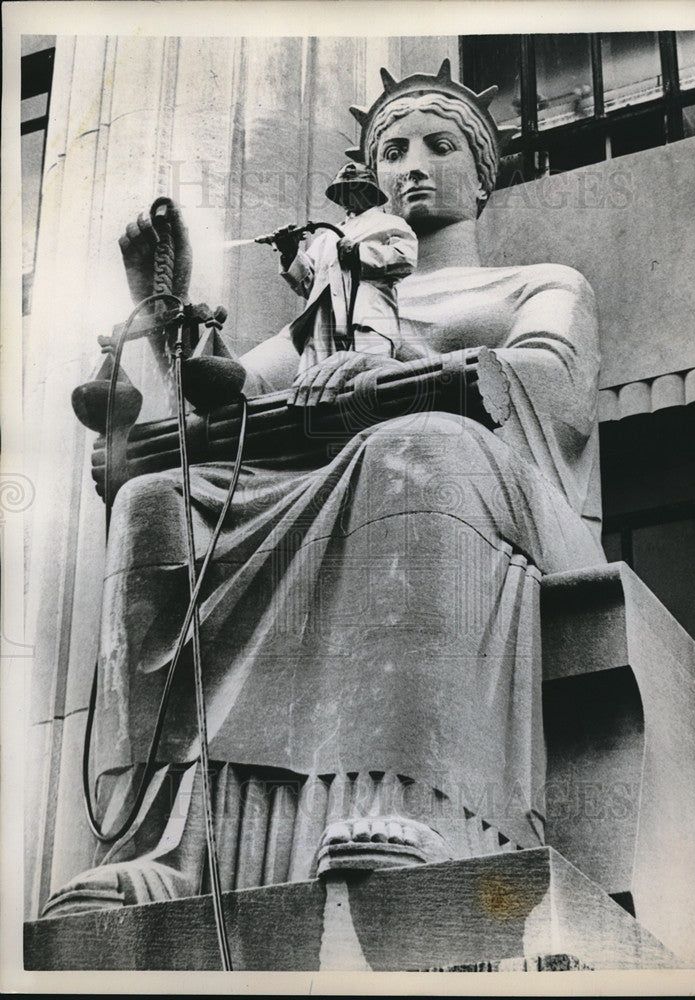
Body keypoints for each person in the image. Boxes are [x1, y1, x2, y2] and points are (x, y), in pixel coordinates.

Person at [44, 60, 606, 915]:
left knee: (413, 448)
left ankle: (421, 809)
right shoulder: (330, 303)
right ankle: (166, 843)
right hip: (345, 481)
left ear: (480, 174)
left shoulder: (536, 284)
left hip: (494, 489)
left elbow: (547, 393)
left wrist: (390, 363)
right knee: (155, 505)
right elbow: (224, 405)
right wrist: (162, 311)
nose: (412, 165)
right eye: (393, 152)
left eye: (438, 146)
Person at [274, 161, 420, 370]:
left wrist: (359, 252)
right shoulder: (326, 238)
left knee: (368, 379)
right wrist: (290, 253)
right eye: (341, 190)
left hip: (367, 314)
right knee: (315, 383)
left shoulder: (390, 224)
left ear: (370, 192)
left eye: (353, 187)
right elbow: (308, 284)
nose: (346, 195)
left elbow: (405, 259)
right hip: (323, 322)